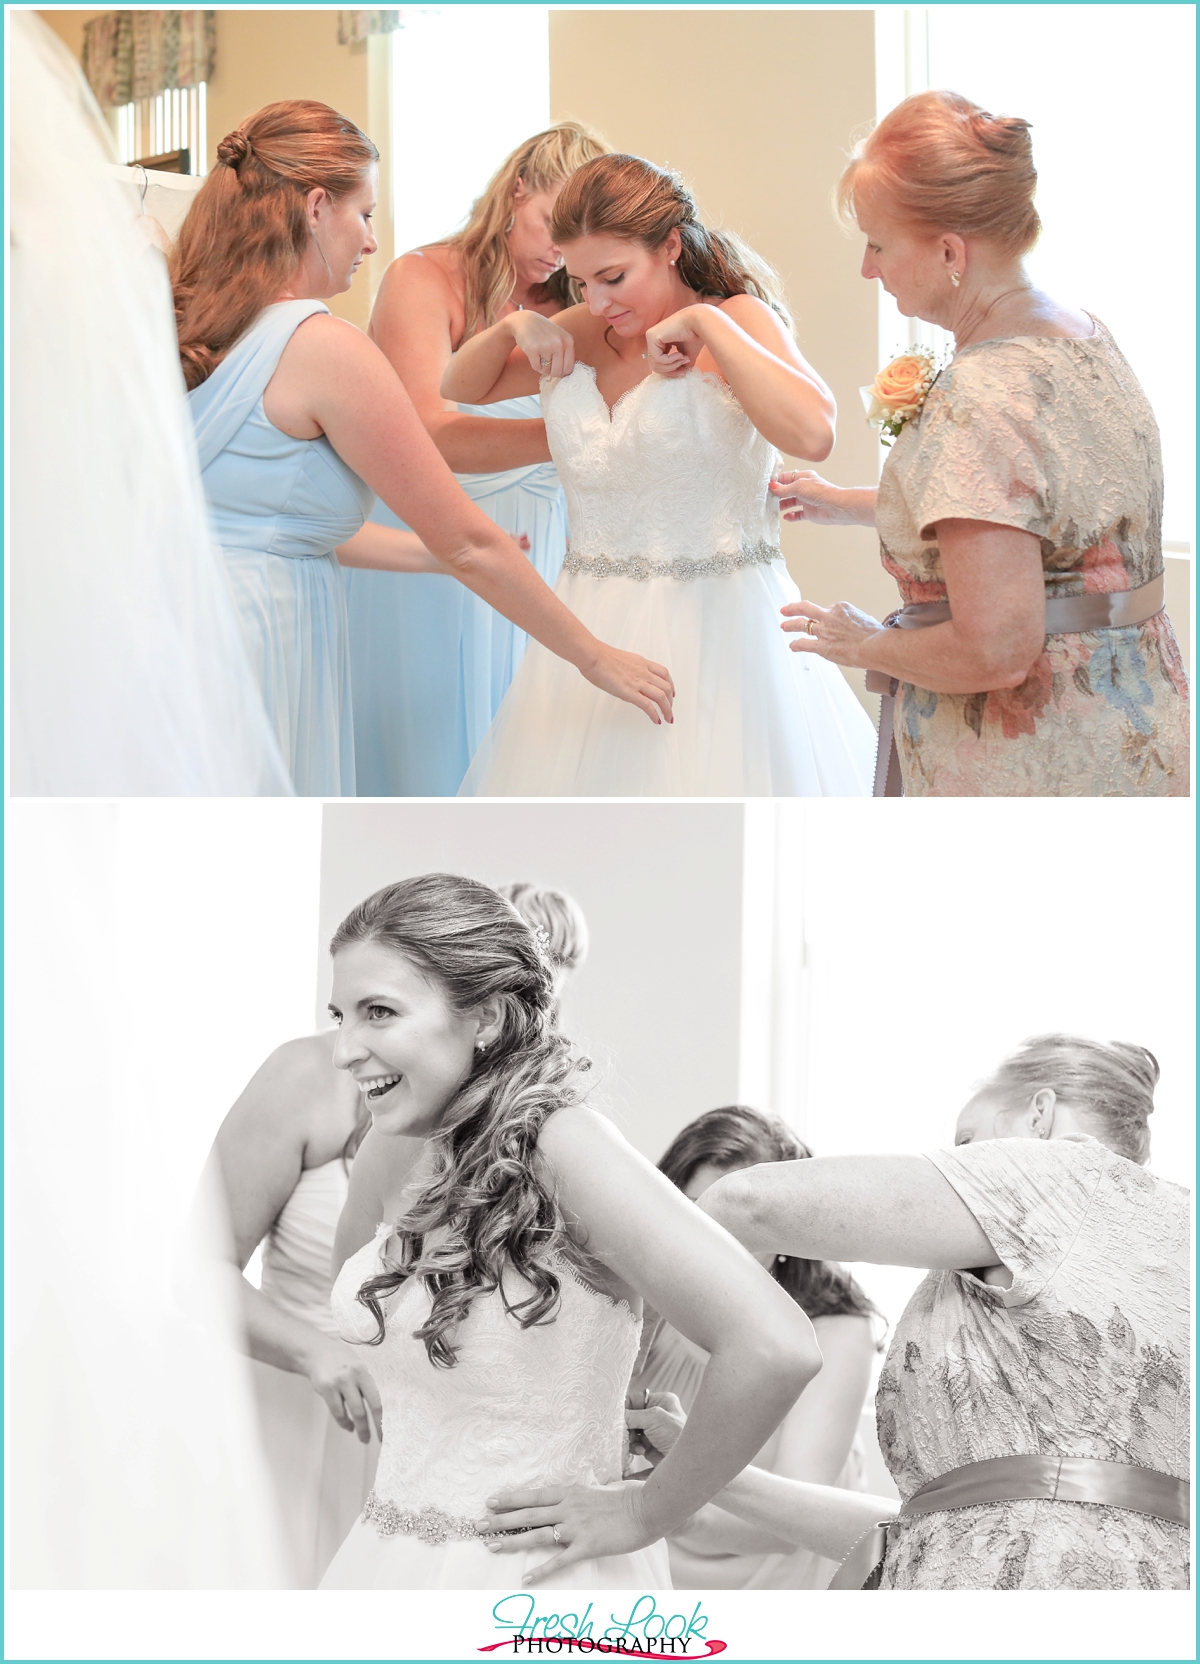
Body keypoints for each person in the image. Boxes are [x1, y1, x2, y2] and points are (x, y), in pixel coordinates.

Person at [317, 874, 820, 1589]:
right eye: (339, 1014)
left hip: (534, 1580)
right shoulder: (391, 1142)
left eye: (378, 1012)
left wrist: (645, 1512)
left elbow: (775, 1346)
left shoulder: (567, 1144)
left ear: (485, 1017)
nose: (344, 1048)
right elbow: (362, 1304)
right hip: (386, 1560)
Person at [171, 101, 673, 796]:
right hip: (264, 635)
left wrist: (427, 557)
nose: (372, 241)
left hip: (182, 623)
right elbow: (470, 540)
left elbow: (274, 523)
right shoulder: (324, 346)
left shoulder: (195, 328)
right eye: (365, 214)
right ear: (317, 208)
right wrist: (593, 657)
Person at [773, 90, 1189, 797]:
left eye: (877, 244)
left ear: (948, 251)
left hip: (1031, 760)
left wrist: (864, 643)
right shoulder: (1082, 334)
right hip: (1137, 720)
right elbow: (1035, 514)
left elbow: (995, 649)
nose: (868, 270)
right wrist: (843, 503)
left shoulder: (981, 392)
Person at [443, 153, 877, 797]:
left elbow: (813, 433)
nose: (597, 300)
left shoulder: (737, 321)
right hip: (590, 621)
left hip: (725, 627)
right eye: (581, 281)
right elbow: (459, 385)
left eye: (614, 277)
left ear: (670, 245)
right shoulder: (585, 330)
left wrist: (706, 324)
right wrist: (512, 325)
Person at [687, 1036, 1190, 1590]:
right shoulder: (1173, 1236)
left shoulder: (1056, 1176)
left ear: (1039, 1116)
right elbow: (937, 1531)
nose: (959, 1162)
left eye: (966, 1142)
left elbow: (743, 1202)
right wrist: (712, 1476)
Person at [345, 124, 611, 796]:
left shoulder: (578, 302)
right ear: (517, 188)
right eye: (552, 222)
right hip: (435, 552)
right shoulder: (425, 278)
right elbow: (429, 434)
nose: (559, 249)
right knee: (435, 760)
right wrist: (569, 440)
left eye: (579, 234)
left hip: (546, 550)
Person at [629, 1107, 878, 1589]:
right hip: (658, 1543)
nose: (716, 1239)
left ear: (789, 1230)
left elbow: (796, 1520)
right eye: (695, 1210)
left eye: (744, 1221)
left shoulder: (837, 1329)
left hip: (781, 1556)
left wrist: (667, 1513)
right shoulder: (643, 1302)